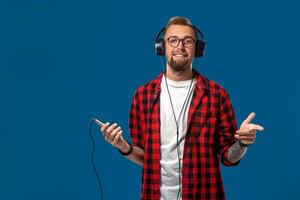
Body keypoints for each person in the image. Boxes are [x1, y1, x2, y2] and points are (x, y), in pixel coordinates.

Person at [100, 16, 264, 200]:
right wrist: (123, 146)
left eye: (188, 41)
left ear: (197, 48)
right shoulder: (143, 95)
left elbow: (229, 158)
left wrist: (242, 142)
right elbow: (146, 157)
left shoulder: (217, 95)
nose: (180, 46)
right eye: (173, 40)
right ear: (162, 47)